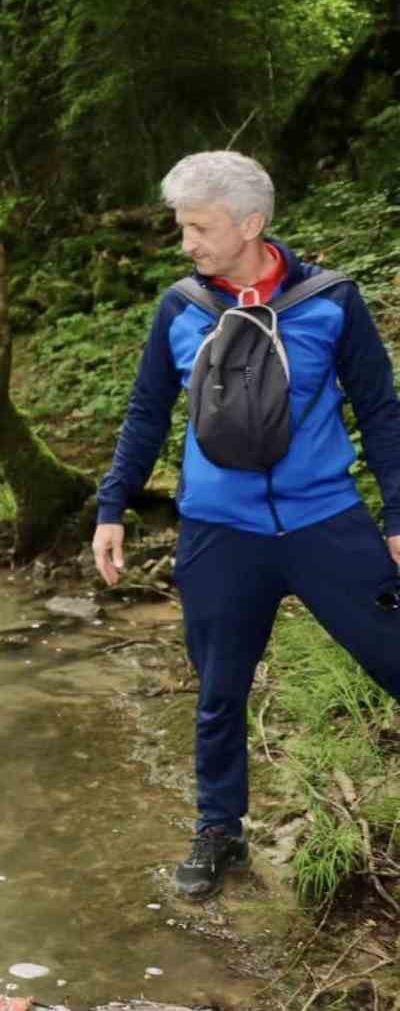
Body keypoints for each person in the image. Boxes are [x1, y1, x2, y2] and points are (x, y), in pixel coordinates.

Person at [94, 151, 400, 901]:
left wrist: (398, 512)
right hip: (218, 533)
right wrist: (112, 505)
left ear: (250, 223)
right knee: (219, 691)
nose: (187, 242)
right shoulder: (181, 307)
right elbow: (145, 412)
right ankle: (219, 828)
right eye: (183, 227)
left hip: (325, 521)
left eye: (198, 227)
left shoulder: (332, 301)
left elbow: (381, 409)